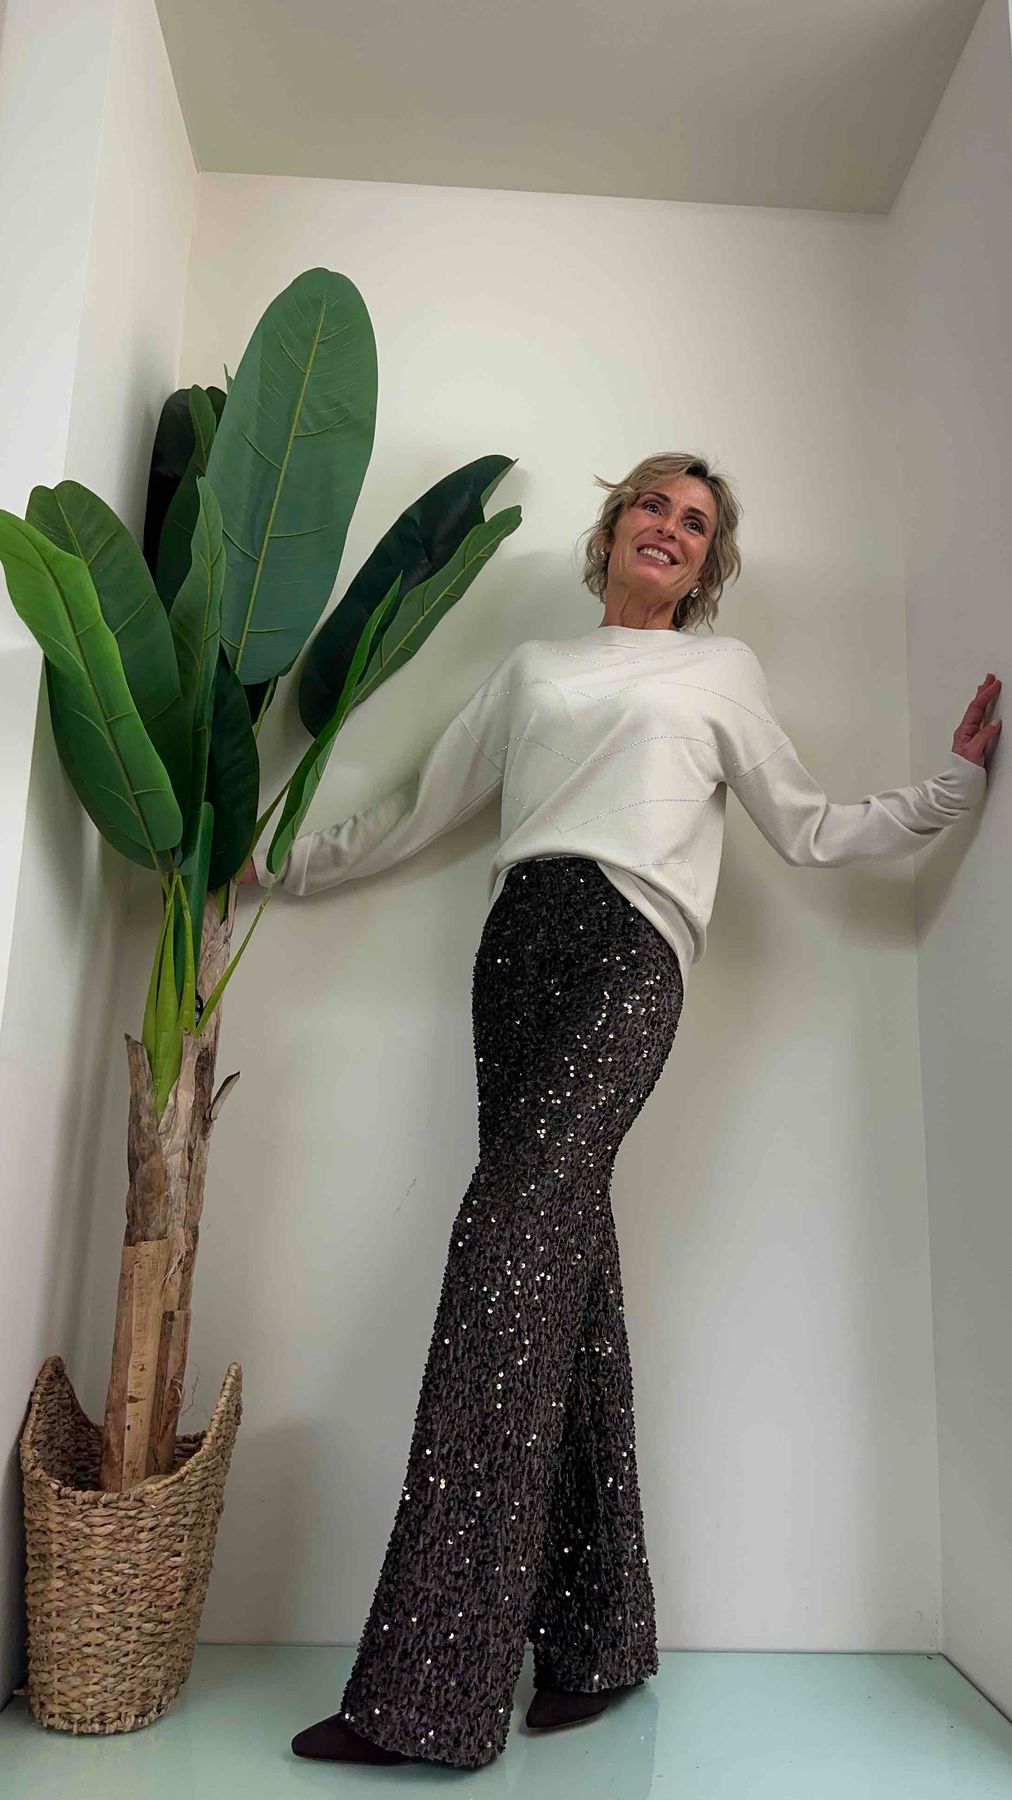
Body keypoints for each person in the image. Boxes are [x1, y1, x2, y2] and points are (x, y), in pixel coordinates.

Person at [239, 452, 1000, 1771]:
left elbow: (810, 827)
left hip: (628, 956)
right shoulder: (533, 669)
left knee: (498, 1263)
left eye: (696, 523)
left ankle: (429, 1695)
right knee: (564, 1286)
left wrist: (951, 786)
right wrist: (270, 867)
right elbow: (420, 811)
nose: (671, 527)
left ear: (709, 565)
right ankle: (599, 1641)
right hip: (515, 954)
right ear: (615, 527)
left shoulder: (721, 675)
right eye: (654, 503)